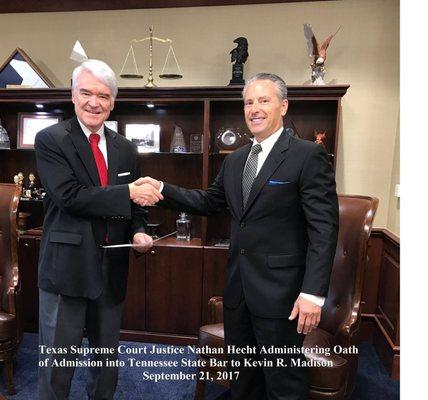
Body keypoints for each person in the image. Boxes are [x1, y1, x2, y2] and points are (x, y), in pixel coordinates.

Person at [137, 73, 339, 399]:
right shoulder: (236, 160)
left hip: (282, 297)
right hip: (238, 292)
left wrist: (313, 294)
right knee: (243, 381)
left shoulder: (307, 155)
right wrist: (162, 189)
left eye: (264, 100)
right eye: (248, 102)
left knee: (283, 384)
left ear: (283, 106)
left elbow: (324, 228)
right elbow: (209, 202)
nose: (254, 109)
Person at [34, 59, 163, 400]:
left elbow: (134, 208)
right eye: (86, 92)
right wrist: (129, 192)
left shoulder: (125, 148)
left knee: (106, 364)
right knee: (57, 367)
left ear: (113, 102)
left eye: (104, 95)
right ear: (72, 95)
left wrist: (138, 232)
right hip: (66, 272)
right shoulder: (50, 140)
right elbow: (70, 197)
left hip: (111, 272)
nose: (95, 102)